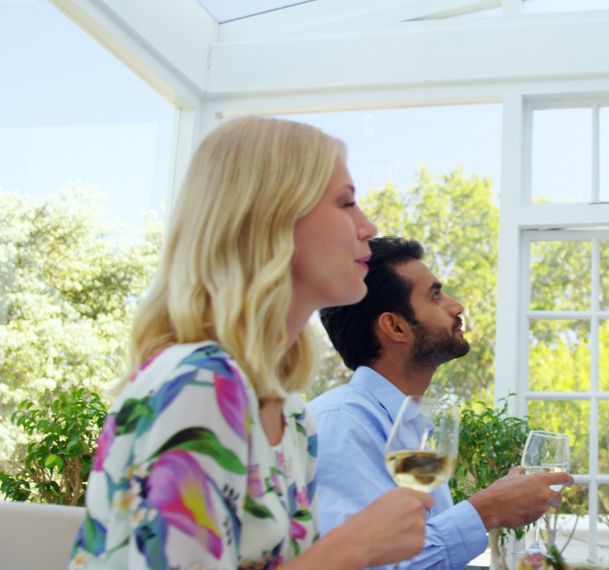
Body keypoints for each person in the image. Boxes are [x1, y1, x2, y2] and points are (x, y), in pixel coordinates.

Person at [70, 117, 432, 569]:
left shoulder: (293, 417)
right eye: (347, 203)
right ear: (271, 218)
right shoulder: (199, 386)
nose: (369, 226)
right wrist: (352, 549)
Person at [312, 236, 573, 569]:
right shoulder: (341, 424)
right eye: (435, 295)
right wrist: (486, 511)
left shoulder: (411, 427)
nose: (456, 306)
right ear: (395, 326)